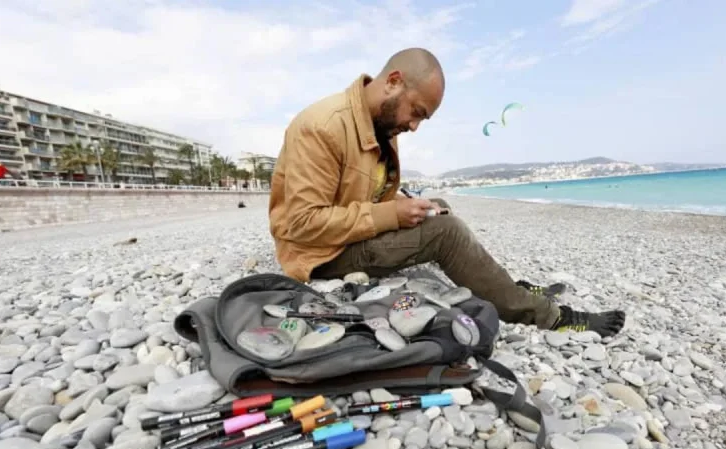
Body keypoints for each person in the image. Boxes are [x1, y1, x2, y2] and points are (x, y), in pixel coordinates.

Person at [268, 48, 625, 337]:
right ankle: (550, 317)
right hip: (318, 255)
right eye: (417, 113)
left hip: (342, 236)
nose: (414, 126)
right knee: (447, 233)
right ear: (393, 82)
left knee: (437, 208)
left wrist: (400, 205)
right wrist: (391, 214)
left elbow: (358, 196)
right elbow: (301, 222)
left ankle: (502, 287)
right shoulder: (322, 126)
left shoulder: (380, 124)